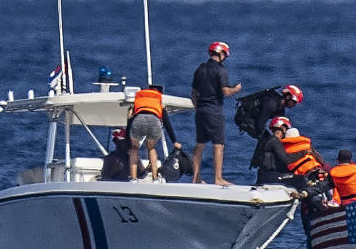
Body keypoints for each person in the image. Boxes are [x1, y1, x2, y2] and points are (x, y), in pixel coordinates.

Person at [190, 41, 242, 184]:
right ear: (221, 53)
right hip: (214, 111)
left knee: (199, 144)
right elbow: (225, 91)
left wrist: (198, 107)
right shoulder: (221, 70)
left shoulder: (200, 69)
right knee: (218, 145)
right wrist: (236, 89)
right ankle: (218, 178)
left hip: (200, 110)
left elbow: (194, 93)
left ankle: (196, 178)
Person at [128, 84, 179, 182]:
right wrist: (174, 141)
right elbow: (167, 123)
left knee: (134, 148)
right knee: (151, 148)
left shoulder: (140, 100)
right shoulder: (159, 104)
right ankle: (155, 178)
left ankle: (133, 178)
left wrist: (128, 138)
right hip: (154, 121)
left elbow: (131, 120)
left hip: (139, 119)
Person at [247, 85, 304, 169]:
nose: (294, 105)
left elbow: (278, 124)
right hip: (248, 119)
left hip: (258, 121)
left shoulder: (281, 110)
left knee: (272, 140)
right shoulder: (271, 103)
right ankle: (261, 165)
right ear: (288, 97)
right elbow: (260, 124)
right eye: (294, 102)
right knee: (269, 139)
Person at [255, 116, 296, 185]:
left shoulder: (267, 140)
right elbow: (286, 160)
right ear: (283, 128)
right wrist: (303, 153)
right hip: (272, 177)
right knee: (301, 178)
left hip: (263, 176)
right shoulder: (275, 142)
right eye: (286, 129)